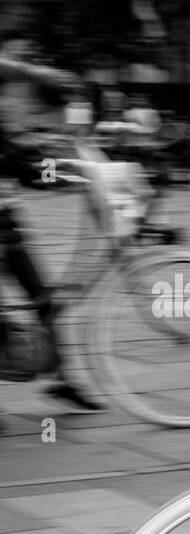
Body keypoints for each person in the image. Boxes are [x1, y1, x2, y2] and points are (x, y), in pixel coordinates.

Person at [0, 54, 102, 412]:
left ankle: (60, 379)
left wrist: (66, 173)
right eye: (15, 96)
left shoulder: (10, 131)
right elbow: (18, 165)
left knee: (45, 300)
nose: (22, 106)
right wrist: (60, 173)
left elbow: (25, 167)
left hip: (6, 227)